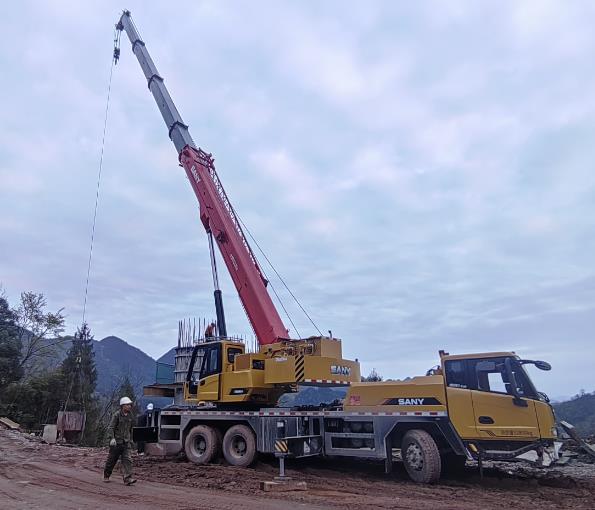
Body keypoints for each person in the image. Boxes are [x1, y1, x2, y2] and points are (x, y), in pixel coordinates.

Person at [103, 396, 137, 485]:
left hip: (126, 442)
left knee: (128, 460)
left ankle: (127, 478)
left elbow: (131, 428)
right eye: (127, 405)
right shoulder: (117, 415)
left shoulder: (130, 415)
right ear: (122, 406)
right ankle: (106, 475)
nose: (129, 406)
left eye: (130, 405)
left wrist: (131, 440)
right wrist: (112, 438)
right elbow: (111, 427)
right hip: (116, 442)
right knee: (112, 460)